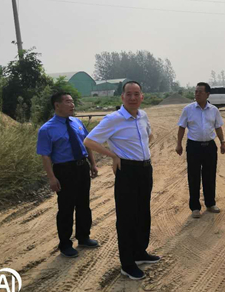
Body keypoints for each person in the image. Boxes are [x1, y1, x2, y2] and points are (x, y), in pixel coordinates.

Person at [84, 81, 160, 280]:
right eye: (129, 94)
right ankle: (127, 264)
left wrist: (143, 149)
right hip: (127, 171)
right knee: (127, 217)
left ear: (142, 96)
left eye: (136, 94)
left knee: (143, 212)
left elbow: (149, 135)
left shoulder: (143, 115)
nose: (133, 98)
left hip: (145, 169)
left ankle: (140, 252)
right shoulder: (113, 119)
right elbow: (89, 141)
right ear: (122, 97)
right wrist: (113, 155)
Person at [37, 92, 99, 258]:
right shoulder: (46, 129)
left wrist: (92, 164)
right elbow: (45, 155)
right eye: (67, 102)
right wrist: (52, 178)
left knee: (83, 204)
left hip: (82, 167)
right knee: (66, 207)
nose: (72, 105)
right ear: (57, 105)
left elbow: (87, 143)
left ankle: (83, 237)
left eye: (72, 101)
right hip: (64, 170)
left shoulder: (77, 122)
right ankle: (65, 244)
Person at [176, 82, 225, 218]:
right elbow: (181, 127)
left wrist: (222, 142)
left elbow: (218, 127)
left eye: (200, 92)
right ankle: (195, 207)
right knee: (193, 176)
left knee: (210, 175)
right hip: (194, 147)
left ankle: (210, 203)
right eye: (196, 91)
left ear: (207, 94)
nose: (197, 94)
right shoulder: (188, 109)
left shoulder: (214, 110)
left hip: (210, 147)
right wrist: (179, 144)